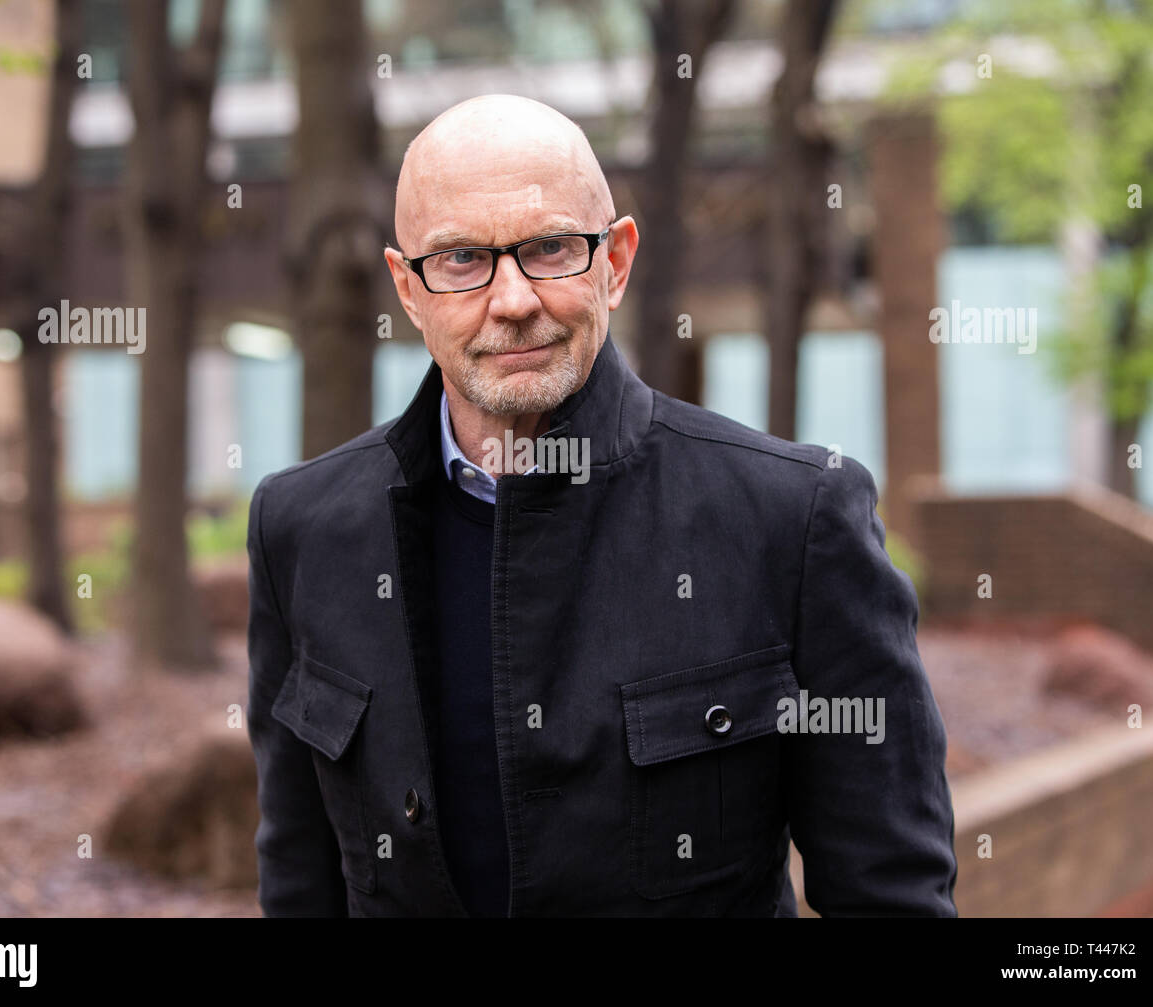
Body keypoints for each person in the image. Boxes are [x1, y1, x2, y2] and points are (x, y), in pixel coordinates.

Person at [247, 93, 957, 917]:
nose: (511, 300)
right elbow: (298, 886)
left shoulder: (793, 519)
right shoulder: (300, 530)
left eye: (550, 248)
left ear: (614, 262)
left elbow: (893, 893)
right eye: (460, 260)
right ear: (408, 289)